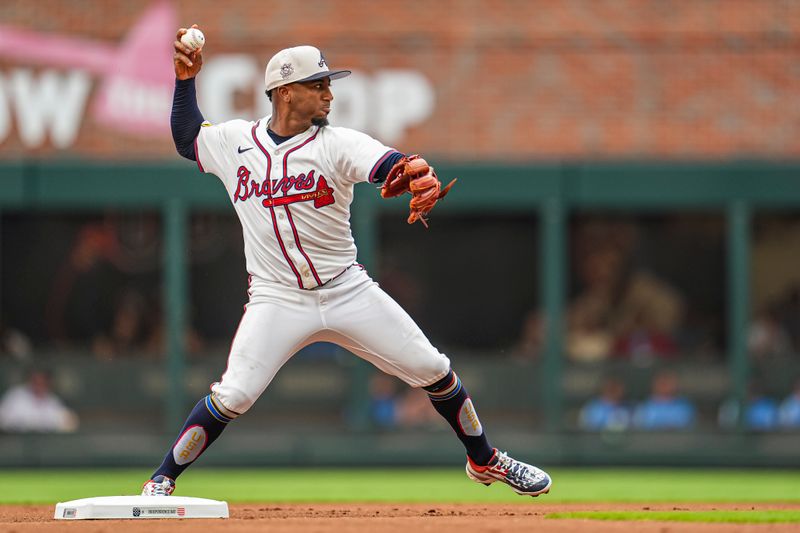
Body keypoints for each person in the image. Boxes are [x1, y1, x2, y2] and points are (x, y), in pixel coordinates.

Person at [140, 25, 551, 498]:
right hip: (277, 297)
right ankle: (161, 479)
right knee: (234, 394)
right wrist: (185, 80)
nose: (329, 94)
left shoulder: (337, 144)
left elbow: (386, 163)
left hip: (346, 289)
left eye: (329, 84)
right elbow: (187, 137)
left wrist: (408, 171)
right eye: (319, 85)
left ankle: (486, 460)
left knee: (434, 369)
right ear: (286, 92)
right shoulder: (236, 142)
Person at [0, 370, 79, 433]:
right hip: (15, 443)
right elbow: (4, 420)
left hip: (43, 446)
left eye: (43, 381)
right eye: (36, 380)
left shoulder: (52, 400)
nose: (39, 384)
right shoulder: (16, 396)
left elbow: (67, 421)